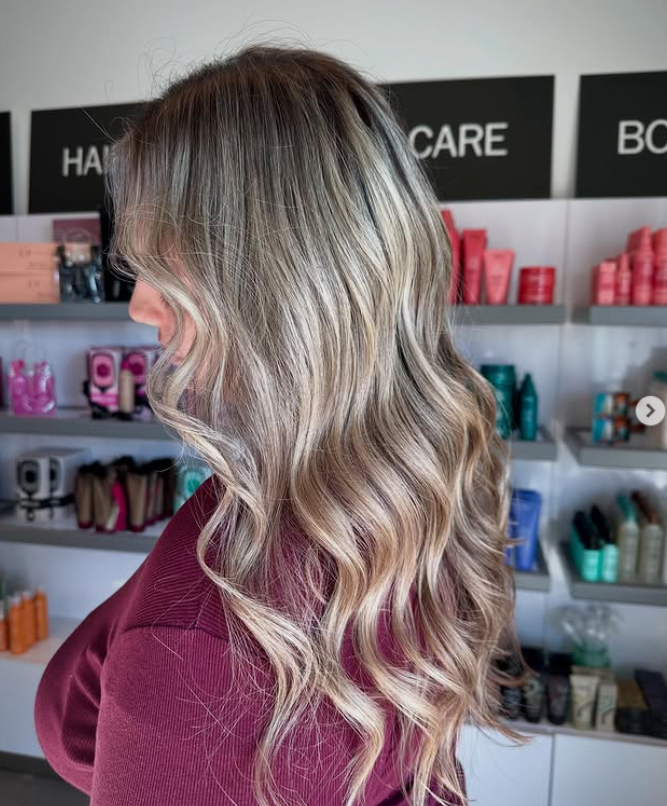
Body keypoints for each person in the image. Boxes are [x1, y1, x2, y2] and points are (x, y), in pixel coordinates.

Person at [35, 44, 521, 806]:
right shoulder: (412, 479)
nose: (139, 307)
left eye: (163, 261)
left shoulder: (209, 637)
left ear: (267, 274)